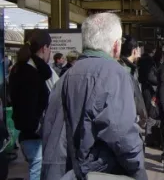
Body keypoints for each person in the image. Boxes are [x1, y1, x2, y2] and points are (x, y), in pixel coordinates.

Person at [40, 13, 148, 180]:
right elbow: (123, 135)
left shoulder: (64, 78)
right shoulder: (115, 74)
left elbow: (50, 132)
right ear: (116, 45)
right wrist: (139, 172)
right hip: (101, 173)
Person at [9, 29, 53, 180]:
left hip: (26, 136)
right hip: (34, 136)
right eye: (50, 48)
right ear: (44, 48)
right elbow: (30, 107)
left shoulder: (19, 69)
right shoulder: (31, 74)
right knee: (37, 173)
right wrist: (39, 128)